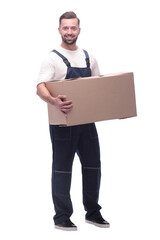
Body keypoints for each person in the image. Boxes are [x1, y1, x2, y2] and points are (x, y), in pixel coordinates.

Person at [37, 11, 110, 231]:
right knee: (62, 169)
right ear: (59, 30)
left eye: (73, 28)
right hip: (63, 123)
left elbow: (99, 86)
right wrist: (53, 101)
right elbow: (40, 87)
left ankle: (93, 213)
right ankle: (61, 217)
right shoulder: (52, 58)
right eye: (65, 28)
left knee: (93, 167)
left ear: (79, 30)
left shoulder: (89, 57)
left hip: (87, 122)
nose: (70, 32)